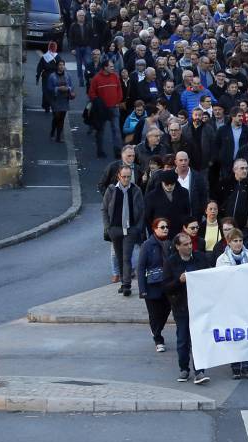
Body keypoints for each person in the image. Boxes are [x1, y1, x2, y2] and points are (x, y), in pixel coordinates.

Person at [163, 232, 210, 384]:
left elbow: (210, 276)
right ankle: (184, 369)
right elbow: (165, 287)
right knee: (183, 339)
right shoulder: (171, 262)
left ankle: (200, 371)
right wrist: (179, 281)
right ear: (177, 247)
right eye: (185, 244)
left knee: (199, 339)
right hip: (181, 307)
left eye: (190, 243)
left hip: (199, 307)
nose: (189, 246)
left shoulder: (200, 258)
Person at [215, 228, 248, 380]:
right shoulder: (222, 259)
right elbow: (220, 280)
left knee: (247, 334)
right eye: (235, 241)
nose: (238, 244)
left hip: (247, 300)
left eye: (240, 241)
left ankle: (247, 366)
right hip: (231, 302)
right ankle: (235, 366)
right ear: (228, 242)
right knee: (234, 334)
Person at [102, 165, 145, 297]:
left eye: (128, 177)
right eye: (124, 177)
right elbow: (104, 209)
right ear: (119, 176)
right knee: (119, 257)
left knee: (127, 257)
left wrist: (137, 228)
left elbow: (142, 210)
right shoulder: (111, 190)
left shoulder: (136, 190)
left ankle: (127, 285)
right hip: (115, 229)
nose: (126, 179)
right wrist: (108, 227)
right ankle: (122, 282)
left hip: (130, 229)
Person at [137, 218, 172, 353]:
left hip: (167, 285)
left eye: (166, 227)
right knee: (154, 314)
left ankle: (156, 330)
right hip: (152, 286)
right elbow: (140, 268)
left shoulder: (170, 243)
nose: (165, 229)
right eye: (162, 227)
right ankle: (158, 339)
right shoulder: (147, 245)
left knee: (166, 310)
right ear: (154, 229)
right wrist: (142, 289)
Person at [88, 59, 125, 159]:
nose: (113, 68)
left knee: (116, 130)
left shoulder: (115, 77)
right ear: (105, 67)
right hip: (102, 110)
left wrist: (118, 101)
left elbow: (119, 90)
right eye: (111, 67)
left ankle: (117, 151)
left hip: (114, 107)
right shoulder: (96, 78)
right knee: (100, 130)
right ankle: (100, 151)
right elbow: (92, 94)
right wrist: (99, 104)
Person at [47, 59, 74, 143]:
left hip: (64, 98)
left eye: (63, 65)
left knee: (62, 118)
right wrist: (58, 88)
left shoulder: (68, 75)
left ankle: (58, 137)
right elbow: (49, 88)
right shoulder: (52, 76)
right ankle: (52, 130)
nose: (61, 66)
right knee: (56, 117)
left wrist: (68, 88)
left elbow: (71, 86)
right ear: (57, 66)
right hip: (55, 99)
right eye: (60, 65)